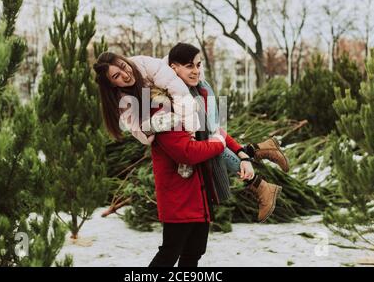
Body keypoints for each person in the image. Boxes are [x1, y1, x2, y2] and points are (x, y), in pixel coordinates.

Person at [93, 48, 287, 222]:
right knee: (212, 134)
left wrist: (190, 135)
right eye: (117, 76)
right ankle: (261, 151)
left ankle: (260, 183)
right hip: (181, 91)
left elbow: (179, 94)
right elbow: (139, 132)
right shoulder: (122, 99)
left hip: (192, 88)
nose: (125, 75)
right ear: (112, 85)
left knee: (210, 137)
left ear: (126, 60)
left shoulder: (145, 65)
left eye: (123, 66)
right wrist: (152, 124)